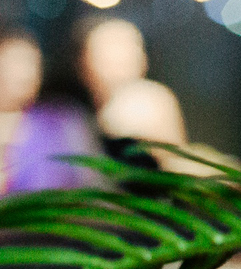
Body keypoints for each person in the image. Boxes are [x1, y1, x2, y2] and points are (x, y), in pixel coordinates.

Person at [0, 30, 94, 194]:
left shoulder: (62, 121)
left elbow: (93, 182)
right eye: (12, 64)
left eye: (31, 64)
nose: (23, 74)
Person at [77, 18, 188, 147]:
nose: (118, 61)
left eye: (125, 50)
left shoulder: (152, 101)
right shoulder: (78, 108)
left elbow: (172, 153)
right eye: (107, 52)